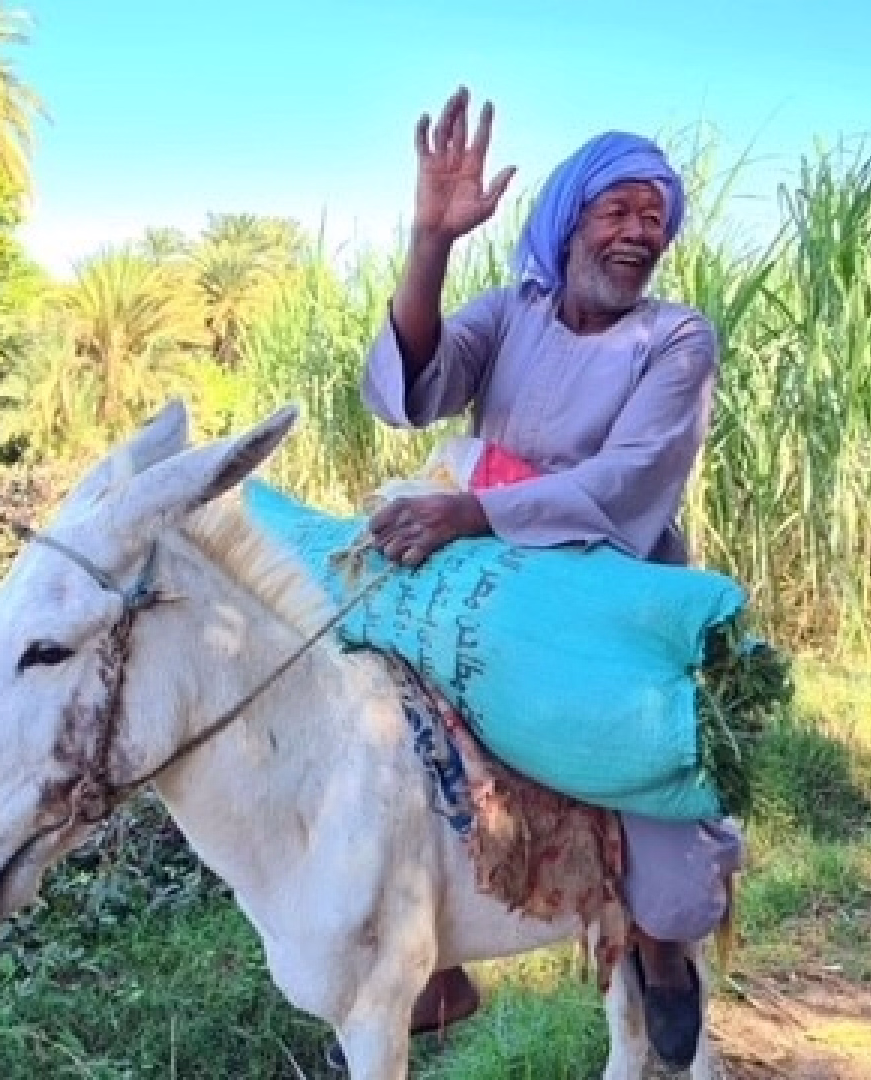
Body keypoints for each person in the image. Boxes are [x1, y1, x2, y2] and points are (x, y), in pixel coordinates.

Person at [360, 86, 744, 1072]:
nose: (638, 233)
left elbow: (630, 481)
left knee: (650, 789)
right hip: (483, 560)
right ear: (570, 219)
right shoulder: (510, 314)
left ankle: (662, 951)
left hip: (604, 575)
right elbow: (416, 390)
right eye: (617, 210)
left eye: (654, 218)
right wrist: (431, 239)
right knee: (358, 665)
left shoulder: (677, 337)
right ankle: (432, 968)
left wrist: (476, 511)